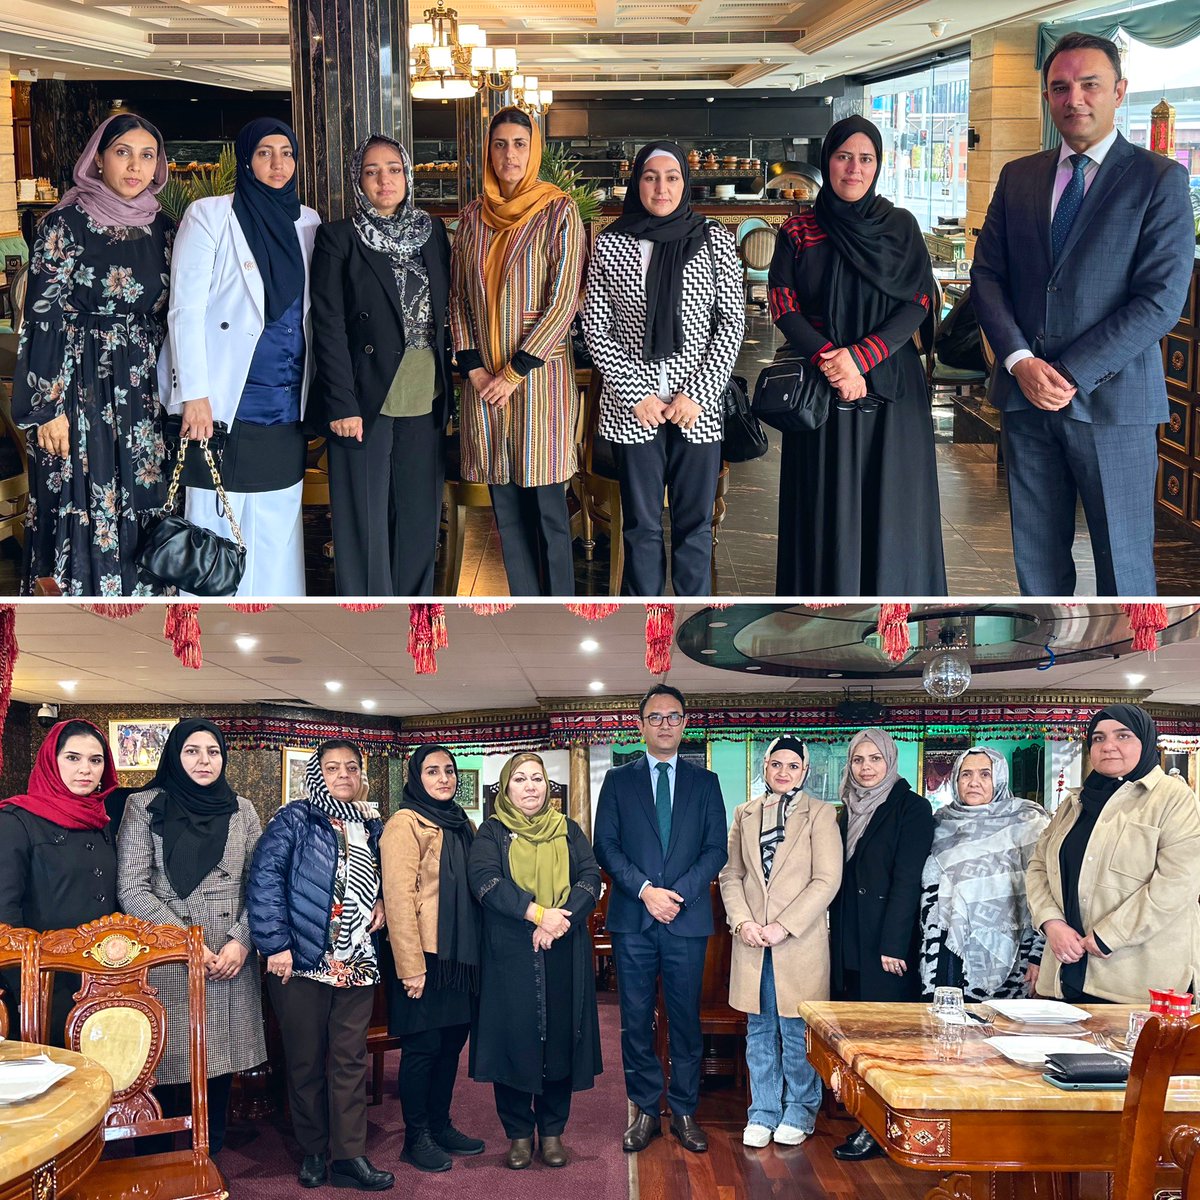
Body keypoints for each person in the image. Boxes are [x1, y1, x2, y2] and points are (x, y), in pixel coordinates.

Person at [971, 32, 1196, 596]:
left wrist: (1070, 372)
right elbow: (988, 276)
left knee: (1123, 565)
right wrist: (1021, 360)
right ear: (1048, 97)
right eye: (1060, 87)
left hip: (1114, 403)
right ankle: (1045, 667)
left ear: (1119, 91)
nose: (1075, 98)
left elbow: (1161, 299)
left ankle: (1123, 668)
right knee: (1038, 562)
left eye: (1090, 84)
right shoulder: (1019, 176)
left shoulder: (1159, 179)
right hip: (1027, 399)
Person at [767, 114, 944, 596]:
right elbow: (783, 303)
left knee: (893, 501)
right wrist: (833, 360)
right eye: (844, 157)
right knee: (828, 500)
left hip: (891, 384)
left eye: (866, 159)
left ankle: (892, 604)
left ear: (878, 165)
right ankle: (826, 602)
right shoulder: (799, 230)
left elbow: (919, 301)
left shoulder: (900, 226)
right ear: (828, 161)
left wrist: (860, 359)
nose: (854, 168)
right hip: (820, 388)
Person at [13, 114, 172, 596]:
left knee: (145, 493)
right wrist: (46, 409)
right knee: (80, 492)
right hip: (79, 383)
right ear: (98, 159)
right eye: (123, 152)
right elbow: (43, 317)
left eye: (147, 155)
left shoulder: (165, 227)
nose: (135, 166)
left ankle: (140, 610)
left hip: (145, 387)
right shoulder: (64, 224)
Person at [160, 118, 321, 597]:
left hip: (286, 400)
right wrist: (194, 394)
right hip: (224, 397)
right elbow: (184, 310)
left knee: (277, 526)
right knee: (213, 524)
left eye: (287, 153)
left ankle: (275, 616)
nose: (277, 164)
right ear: (246, 160)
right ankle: (209, 626)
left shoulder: (307, 222)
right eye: (265, 153)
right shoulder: (210, 215)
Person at [582, 142, 744, 596]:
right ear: (637, 182)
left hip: (698, 409)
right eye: (651, 177)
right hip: (636, 409)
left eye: (672, 177)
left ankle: (693, 615)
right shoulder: (612, 241)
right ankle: (645, 619)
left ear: (685, 183)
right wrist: (637, 395)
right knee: (640, 525)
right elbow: (596, 325)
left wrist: (698, 394)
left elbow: (730, 322)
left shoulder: (713, 238)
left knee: (695, 526)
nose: (662, 187)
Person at [449, 108, 585, 596]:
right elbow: (458, 301)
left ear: (534, 150)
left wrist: (512, 372)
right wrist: (478, 372)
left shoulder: (558, 211)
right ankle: (526, 600)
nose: (510, 154)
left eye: (519, 144)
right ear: (490, 150)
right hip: (484, 387)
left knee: (549, 509)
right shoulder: (471, 217)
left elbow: (564, 298)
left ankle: (561, 607)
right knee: (506, 510)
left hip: (538, 385)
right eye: (501, 144)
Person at [309, 136, 452, 596]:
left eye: (393, 169)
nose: (384, 180)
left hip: (425, 390)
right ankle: (368, 613)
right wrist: (341, 401)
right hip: (363, 396)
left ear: (408, 175)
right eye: (372, 171)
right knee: (363, 519)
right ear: (359, 180)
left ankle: (416, 611)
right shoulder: (339, 237)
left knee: (418, 517)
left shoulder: (433, 232)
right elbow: (328, 326)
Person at [247, 741, 393, 1192]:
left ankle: (350, 1155)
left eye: (352, 767)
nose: (343, 775)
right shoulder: (294, 818)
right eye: (332, 768)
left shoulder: (372, 821)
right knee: (306, 1060)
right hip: (301, 961)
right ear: (317, 774)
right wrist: (275, 945)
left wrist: (382, 898)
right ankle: (313, 1149)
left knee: (349, 1061)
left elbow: (383, 873)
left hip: (356, 962)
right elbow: (265, 879)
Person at [116, 719, 264, 1154]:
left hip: (229, 952)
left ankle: (207, 1153)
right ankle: (164, 1157)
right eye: (192, 751)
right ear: (175, 756)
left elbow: (261, 884)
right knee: (166, 1057)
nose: (204, 760)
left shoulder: (243, 809)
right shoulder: (145, 805)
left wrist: (241, 939)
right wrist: (186, 944)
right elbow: (132, 887)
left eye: (213, 752)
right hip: (168, 951)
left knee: (218, 1057)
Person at [593, 684, 727, 1154]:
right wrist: (647, 892)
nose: (665, 724)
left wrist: (678, 895)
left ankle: (686, 1110)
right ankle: (645, 1110)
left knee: (686, 1020)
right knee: (634, 1020)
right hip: (634, 919)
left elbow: (716, 850)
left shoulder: (705, 783)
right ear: (641, 724)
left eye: (673, 716)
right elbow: (605, 847)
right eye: (656, 717)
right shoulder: (618, 781)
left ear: (685, 723)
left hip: (686, 921)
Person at [468, 752, 602, 1169]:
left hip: (564, 950)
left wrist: (557, 921)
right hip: (510, 952)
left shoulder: (568, 829)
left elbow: (590, 877)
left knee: (560, 1037)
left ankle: (553, 1132)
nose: (530, 786)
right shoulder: (491, 831)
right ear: (505, 787)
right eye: (521, 779)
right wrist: (538, 914)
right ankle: (519, 1135)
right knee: (513, 1038)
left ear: (548, 787)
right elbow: (485, 881)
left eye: (538, 779)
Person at [1026, 705, 1200, 1003]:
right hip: (1066, 972)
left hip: (1135, 981)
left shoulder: (1173, 799)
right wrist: (1051, 922)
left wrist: (1110, 935)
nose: (1108, 746)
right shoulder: (1075, 803)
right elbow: (1039, 866)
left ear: (1146, 741)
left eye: (1123, 736)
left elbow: (1177, 884)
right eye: (1098, 738)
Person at [719, 737, 842, 1149]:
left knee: (795, 1030)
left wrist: (784, 926)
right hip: (753, 941)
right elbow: (731, 874)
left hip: (798, 941)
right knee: (759, 1029)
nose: (784, 772)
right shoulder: (745, 813)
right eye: (776, 765)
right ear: (765, 768)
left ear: (804, 771)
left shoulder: (821, 814)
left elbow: (827, 879)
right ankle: (763, 1111)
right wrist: (742, 922)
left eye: (793, 766)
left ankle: (800, 1110)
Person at [828, 728, 933, 1161]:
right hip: (846, 937)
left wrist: (894, 945)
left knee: (886, 1039)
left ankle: (881, 1127)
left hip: (886, 943)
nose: (866, 768)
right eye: (858, 760)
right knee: (854, 1034)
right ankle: (863, 1116)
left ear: (890, 762)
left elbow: (909, 880)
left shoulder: (911, 808)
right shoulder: (842, 812)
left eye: (875, 759)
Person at [379, 745, 483, 1174]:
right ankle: (415, 1136)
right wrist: (411, 966)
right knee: (422, 1048)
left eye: (449, 771)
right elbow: (398, 900)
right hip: (423, 956)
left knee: (450, 1046)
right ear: (415, 777)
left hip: (460, 956)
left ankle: (440, 1124)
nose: (443, 778)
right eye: (432, 771)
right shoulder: (404, 823)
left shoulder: (462, 823)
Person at [0, 720, 120, 1037]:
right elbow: (3, 912)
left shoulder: (100, 819)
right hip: (41, 982)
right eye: (72, 758)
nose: (85, 769)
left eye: (96, 760)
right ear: (51, 762)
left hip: (99, 978)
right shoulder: (17, 820)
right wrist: (27, 987)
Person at [917, 747, 1048, 1003]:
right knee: (944, 1032)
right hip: (946, 951)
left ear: (998, 779)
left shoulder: (1027, 823)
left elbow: (1047, 893)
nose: (974, 782)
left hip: (1011, 954)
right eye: (965, 774)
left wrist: (1039, 957)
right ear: (955, 780)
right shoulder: (940, 823)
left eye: (985, 774)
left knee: (995, 1036)